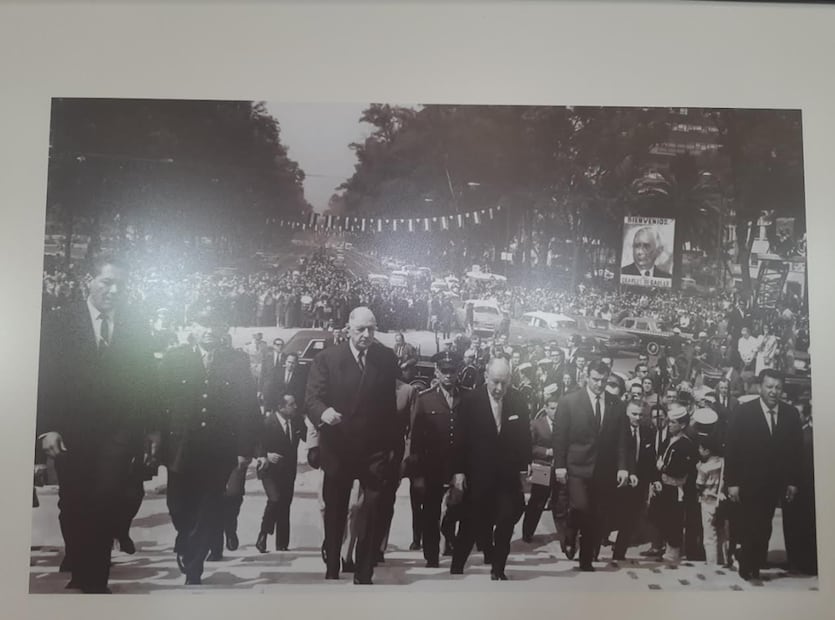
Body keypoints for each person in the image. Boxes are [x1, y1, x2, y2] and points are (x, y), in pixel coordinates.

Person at [36, 255, 157, 593]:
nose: (114, 290)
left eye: (121, 285)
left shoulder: (135, 326)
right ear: (88, 281)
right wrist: (47, 427)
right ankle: (80, 565)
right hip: (70, 430)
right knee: (73, 501)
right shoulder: (59, 322)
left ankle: (95, 581)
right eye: (107, 282)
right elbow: (44, 377)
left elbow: (147, 381)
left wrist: (150, 428)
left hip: (118, 431)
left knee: (106, 498)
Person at [158, 305, 260, 585]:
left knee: (207, 507)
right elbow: (158, 401)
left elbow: (248, 407)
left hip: (218, 449)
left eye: (215, 325)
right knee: (177, 506)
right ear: (192, 327)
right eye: (203, 324)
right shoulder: (175, 359)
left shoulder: (236, 362)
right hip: (181, 448)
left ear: (223, 329)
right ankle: (184, 538)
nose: (209, 331)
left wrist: (245, 448)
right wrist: (155, 438)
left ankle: (194, 568)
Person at [305, 306, 399, 585]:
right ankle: (333, 563)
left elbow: (389, 406)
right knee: (335, 510)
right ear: (348, 329)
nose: (366, 335)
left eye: (371, 329)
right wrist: (324, 413)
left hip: (374, 449)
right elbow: (311, 398)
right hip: (339, 446)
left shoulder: (385, 358)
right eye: (360, 329)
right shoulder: (327, 359)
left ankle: (364, 570)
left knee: (372, 508)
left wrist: (393, 446)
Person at [450, 358, 532, 580]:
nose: (499, 388)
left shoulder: (517, 401)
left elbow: (524, 437)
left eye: (504, 383)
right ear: (486, 377)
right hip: (477, 475)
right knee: (470, 523)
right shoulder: (470, 401)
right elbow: (459, 439)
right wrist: (458, 471)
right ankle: (457, 566)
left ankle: (498, 569)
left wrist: (526, 467)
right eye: (495, 382)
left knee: (506, 521)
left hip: (507, 477)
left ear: (510, 381)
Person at [724, 369, 803, 581]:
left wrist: (793, 482)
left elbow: (796, 452)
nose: (773, 391)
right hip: (747, 482)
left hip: (774, 484)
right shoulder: (743, 412)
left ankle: (755, 562)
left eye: (778, 387)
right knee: (749, 523)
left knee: (765, 525)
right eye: (769, 387)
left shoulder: (790, 414)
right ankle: (747, 564)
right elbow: (731, 449)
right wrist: (732, 483)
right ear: (760, 387)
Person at [552, 360, 631, 571]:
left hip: (603, 469)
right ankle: (569, 533)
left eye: (603, 381)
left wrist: (623, 467)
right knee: (580, 507)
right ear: (587, 377)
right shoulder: (569, 402)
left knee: (595, 514)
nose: (599, 384)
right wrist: (560, 465)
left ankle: (585, 560)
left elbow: (622, 440)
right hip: (576, 467)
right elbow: (560, 437)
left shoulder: (616, 404)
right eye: (595, 379)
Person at [410, 352, 464, 567]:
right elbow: (416, 439)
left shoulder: (468, 398)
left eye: (452, 371)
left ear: (458, 372)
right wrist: (417, 474)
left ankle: (448, 533)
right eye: (444, 371)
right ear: (437, 372)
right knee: (430, 512)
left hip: (460, 465)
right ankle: (431, 555)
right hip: (432, 465)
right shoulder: (425, 399)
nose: (449, 375)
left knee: (460, 507)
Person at [254, 394, 308, 553]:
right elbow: (256, 443)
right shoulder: (267, 422)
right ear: (281, 407)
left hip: (288, 470)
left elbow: (307, 436)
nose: (295, 407)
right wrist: (265, 455)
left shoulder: (297, 421)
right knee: (275, 499)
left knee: (285, 504)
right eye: (291, 404)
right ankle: (263, 534)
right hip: (269, 470)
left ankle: (282, 544)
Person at [649, 403, 697, 565]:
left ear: (682, 425)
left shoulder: (686, 445)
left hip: (676, 489)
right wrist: (657, 478)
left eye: (673, 422)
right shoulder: (667, 441)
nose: (669, 425)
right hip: (663, 486)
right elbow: (657, 461)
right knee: (662, 518)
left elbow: (680, 470)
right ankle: (666, 547)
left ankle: (673, 552)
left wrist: (663, 467)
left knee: (674, 520)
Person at [521, 387, 569, 550]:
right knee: (537, 501)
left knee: (560, 503)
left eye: (558, 409)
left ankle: (564, 540)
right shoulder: (536, 424)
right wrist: (547, 452)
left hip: (559, 468)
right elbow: (528, 447)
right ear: (546, 408)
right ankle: (527, 532)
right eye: (552, 408)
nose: (556, 412)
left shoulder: (565, 425)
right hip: (542, 467)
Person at [612, 400, 656, 561]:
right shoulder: (616, 430)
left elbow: (650, 458)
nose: (637, 418)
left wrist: (653, 479)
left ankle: (619, 553)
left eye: (641, 414)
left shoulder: (648, 431)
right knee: (609, 515)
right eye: (634, 414)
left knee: (630, 518)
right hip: (617, 480)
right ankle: (593, 550)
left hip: (638, 482)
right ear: (626, 413)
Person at [695, 436, 728, 566]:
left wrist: (698, 469)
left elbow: (699, 485)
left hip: (707, 501)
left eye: (700, 449)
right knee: (722, 534)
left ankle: (712, 562)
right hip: (721, 501)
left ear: (707, 451)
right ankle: (724, 559)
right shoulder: (723, 462)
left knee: (709, 535)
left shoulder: (704, 467)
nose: (699, 451)